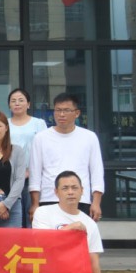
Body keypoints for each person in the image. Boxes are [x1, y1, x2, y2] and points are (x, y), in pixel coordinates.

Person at [30, 92, 104, 222]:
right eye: (58, 110)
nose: (61, 114)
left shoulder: (89, 137)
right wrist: (35, 203)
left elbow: (97, 172)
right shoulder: (41, 138)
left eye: (66, 110)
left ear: (77, 113)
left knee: (79, 234)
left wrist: (96, 202)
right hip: (49, 199)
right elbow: (35, 173)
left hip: (80, 199)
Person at [7, 88, 47, 228]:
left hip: (33, 175)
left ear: (28, 104)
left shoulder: (38, 123)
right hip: (10, 176)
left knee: (32, 214)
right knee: (13, 216)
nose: (17, 103)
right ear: (9, 105)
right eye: (13, 101)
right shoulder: (4, 124)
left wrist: (31, 170)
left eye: (21, 100)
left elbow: (44, 149)